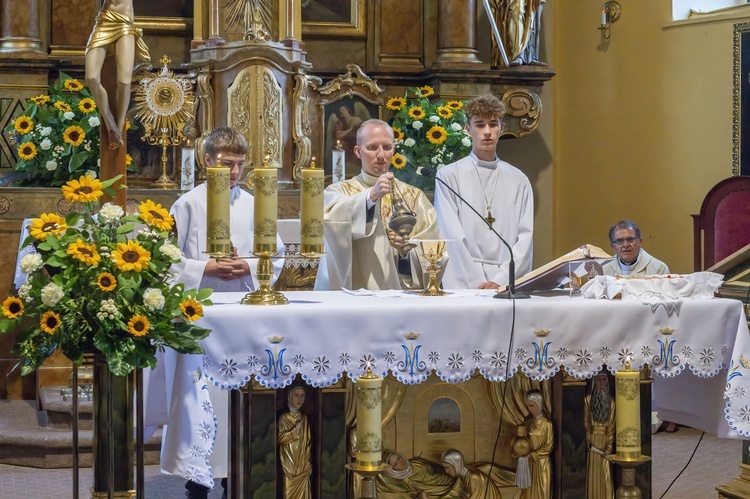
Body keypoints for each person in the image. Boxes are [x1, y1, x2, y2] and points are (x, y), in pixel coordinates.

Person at [159, 126, 284, 499]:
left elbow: (272, 252)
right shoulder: (188, 204)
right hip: (200, 316)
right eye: (227, 164)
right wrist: (206, 269)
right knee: (200, 399)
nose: (234, 173)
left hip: (243, 316)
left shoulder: (253, 202)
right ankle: (197, 477)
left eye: (240, 165)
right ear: (207, 159)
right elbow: (167, 263)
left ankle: (235, 473)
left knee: (237, 398)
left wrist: (248, 266)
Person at [316, 119, 441, 290]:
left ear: (394, 149)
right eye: (373, 148)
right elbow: (331, 226)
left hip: (402, 295)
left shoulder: (414, 196)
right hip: (356, 294)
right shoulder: (338, 192)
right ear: (358, 151)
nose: (381, 155)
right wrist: (370, 197)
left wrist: (406, 253)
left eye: (387, 147)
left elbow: (436, 252)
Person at [434, 94, 533, 289]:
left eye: (493, 124)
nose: (487, 132)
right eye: (479, 125)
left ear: (502, 129)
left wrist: (501, 281)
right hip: (465, 280)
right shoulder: (448, 176)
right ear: (468, 129)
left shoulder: (518, 179)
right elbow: (451, 235)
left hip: (506, 281)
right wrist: (476, 282)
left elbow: (525, 238)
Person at [85, 0, 150, 149]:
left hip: (125, 23)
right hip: (104, 19)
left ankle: (118, 128)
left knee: (124, 81)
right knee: (91, 77)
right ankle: (110, 123)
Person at [439, 448, 520, 499]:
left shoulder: (474, 478)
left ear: (456, 465)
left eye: (447, 467)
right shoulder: (463, 476)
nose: (446, 471)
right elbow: (454, 493)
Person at [278, 386, 313, 499]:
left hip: (302, 467)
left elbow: (308, 442)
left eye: (302, 396)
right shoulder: (284, 418)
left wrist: (307, 462)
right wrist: (295, 431)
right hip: (289, 467)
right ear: (289, 396)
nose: (299, 399)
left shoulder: (305, 419)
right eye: (296, 395)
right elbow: (280, 438)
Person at [584, 373, 615, 499]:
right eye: (599, 380)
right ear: (594, 382)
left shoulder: (611, 402)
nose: (602, 383)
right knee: (593, 474)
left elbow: (612, 427)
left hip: (605, 441)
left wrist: (609, 447)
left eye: (604, 380)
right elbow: (586, 422)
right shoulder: (588, 400)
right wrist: (588, 441)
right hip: (593, 443)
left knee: (606, 474)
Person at [602, 220, 669, 276]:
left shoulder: (659, 269)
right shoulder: (604, 271)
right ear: (613, 247)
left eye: (630, 239)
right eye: (619, 241)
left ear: (640, 242)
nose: (625, 245)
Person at [376, 451, 455, 498]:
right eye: (396, 464)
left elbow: (439, 468)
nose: (401, 462)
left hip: (452, 480)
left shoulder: (416, 461)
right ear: (392, 470)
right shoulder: (405, 483)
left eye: (399, 458)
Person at [523, 389, 553, 499]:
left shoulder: (547, 424)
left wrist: (533, 455)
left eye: (532, 405)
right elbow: (524, 442)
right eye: (528, 406)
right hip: (529, 463)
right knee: (530, 491)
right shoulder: (527, 422)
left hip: (542, 463)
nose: (529, 409)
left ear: (539, 404)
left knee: (542, 490)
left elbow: (548, 446)